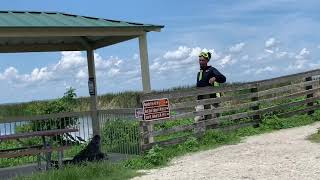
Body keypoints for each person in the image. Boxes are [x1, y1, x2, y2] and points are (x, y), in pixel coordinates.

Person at [195, 51, 226, 122]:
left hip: (212, 101)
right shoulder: (199, 73)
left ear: (207, 61)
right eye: (200, 60)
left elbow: (223, 78)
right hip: (201, 101)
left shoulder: (211, 70)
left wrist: (215, 78)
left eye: (203, 60)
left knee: (212, 121)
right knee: (198, 120)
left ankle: (213, 133)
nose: (201, 62)